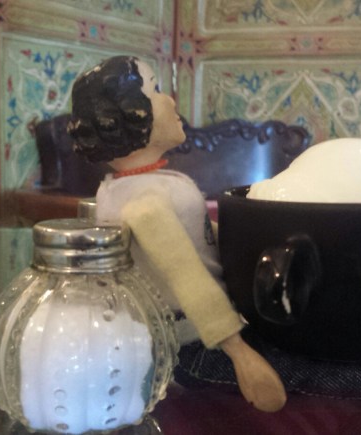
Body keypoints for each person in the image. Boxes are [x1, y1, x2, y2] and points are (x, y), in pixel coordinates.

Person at [68, 55, 287, 412]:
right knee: (311, 372)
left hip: (213, 329)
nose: (169, 100)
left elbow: (198, 236)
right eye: (154, 90)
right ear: (129, 115)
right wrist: (239, 352)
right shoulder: (143, 202)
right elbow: (187, 277)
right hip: (198, 345)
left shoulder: (135, 187)